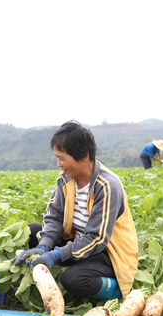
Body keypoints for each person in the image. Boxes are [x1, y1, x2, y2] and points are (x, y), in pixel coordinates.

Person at [13, 120, 138, 300]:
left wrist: (57, 254)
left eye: (62, 158)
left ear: (84, 156)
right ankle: (52, 264)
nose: (59, 164)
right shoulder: (66, 179)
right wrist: (44, 247)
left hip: (107, 253)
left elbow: (96, 238)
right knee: (31, 231)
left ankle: (117, 288)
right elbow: (54, 217)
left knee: (72, 279)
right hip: (77, 242)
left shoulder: (107, 185)